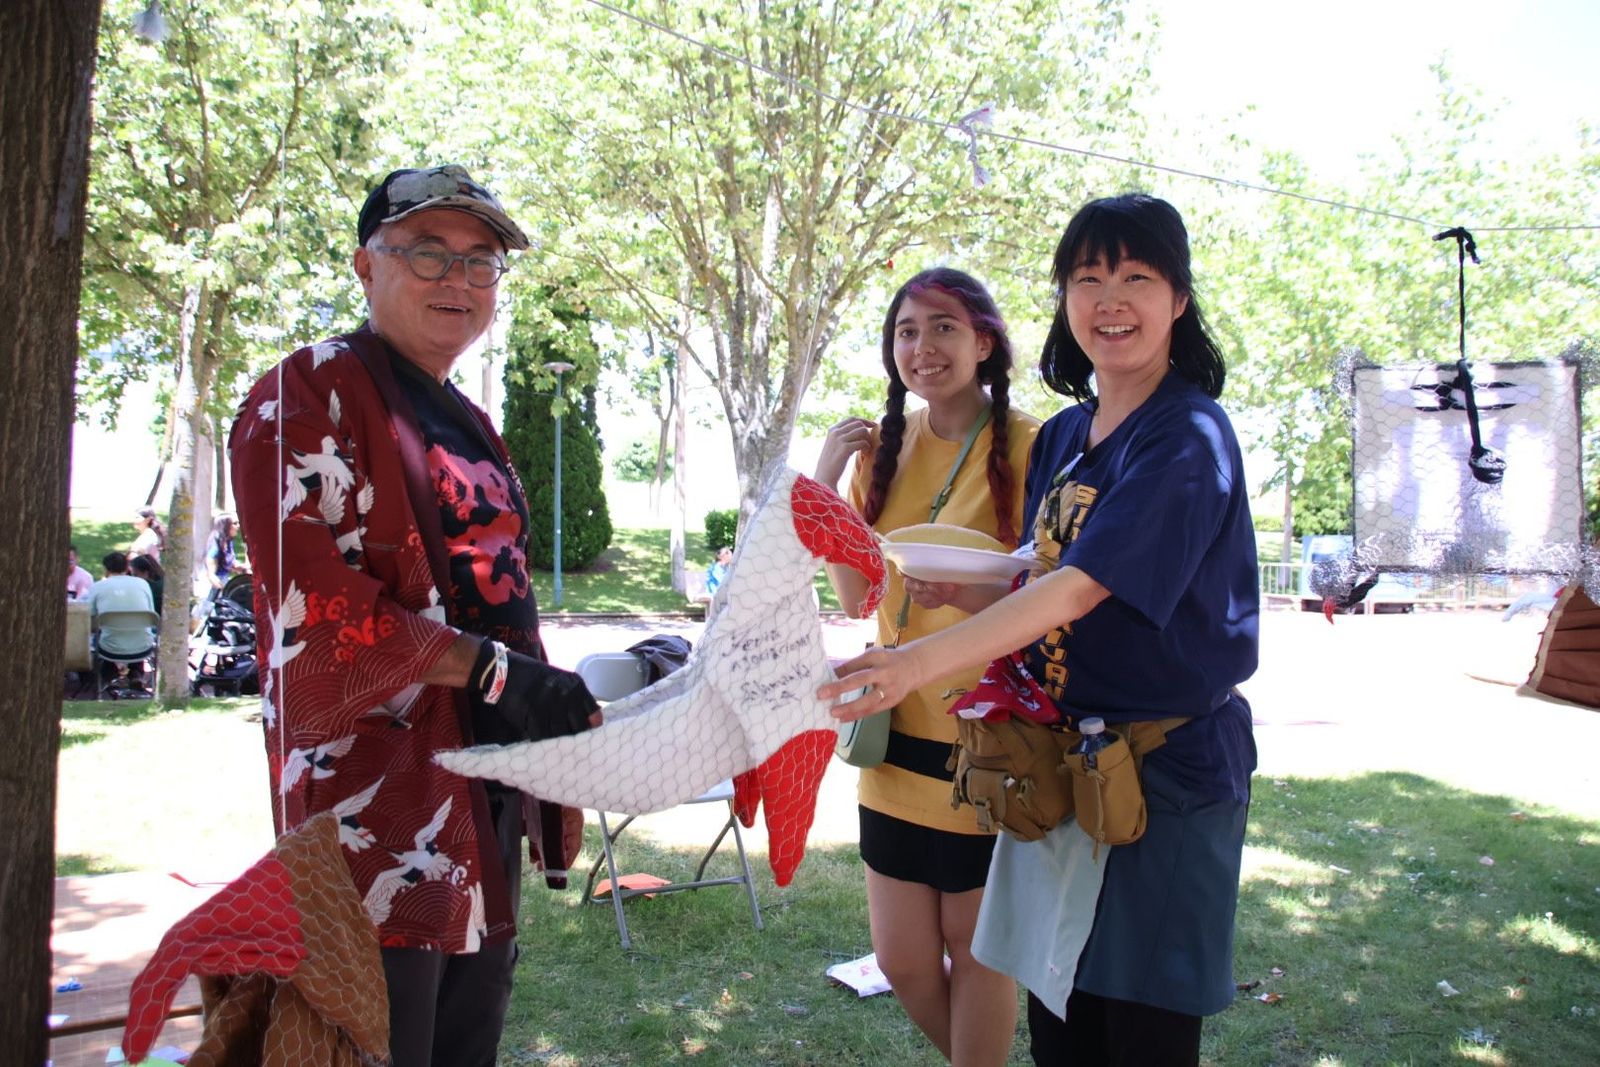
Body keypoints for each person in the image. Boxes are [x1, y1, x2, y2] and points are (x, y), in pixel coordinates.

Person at [821, 195, 1259, 1066]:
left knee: (1137, 1033)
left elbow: (1080, 588)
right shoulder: (1066, 435)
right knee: (1060, 1023)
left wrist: (911, 661)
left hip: (1162, 780)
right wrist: (972, 595)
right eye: (1088, 278)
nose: (1110, 300)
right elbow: (1039, 575)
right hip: (1058, 773)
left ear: (1179, 298)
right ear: (1064, 299)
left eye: (1137, 276)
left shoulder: (1188, 435)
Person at [229, 164, 603, 1067]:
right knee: (370, 1043)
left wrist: (540, 707)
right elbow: (311, 606)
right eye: (428, 251)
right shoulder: (302, 393)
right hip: (374, 811)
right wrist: (491, 671)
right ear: (367, 265)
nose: (458, 280)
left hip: (484, 792)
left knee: (468, 1038)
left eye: (481, 263)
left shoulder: (470, 417)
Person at [814, 267, 1039, 1066]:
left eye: (942, 327)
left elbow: (1054, 598)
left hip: (987, 738)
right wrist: (828, 487)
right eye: (907, 331)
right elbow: (851, 596)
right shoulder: (885, 449)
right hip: (891, 735)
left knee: (973, 949)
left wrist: (971, 601)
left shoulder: (1031, 442)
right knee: (906, 958)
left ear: (984, 342)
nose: (922, 346)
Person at [88, 550, 157, 690]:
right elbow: (151, 613)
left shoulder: (98, 587)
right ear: (127, 568)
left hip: (110, 648)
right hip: (143, 646)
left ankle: (109, 676)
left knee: (104, 636)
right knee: (134, 630)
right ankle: (135, 673)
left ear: (106, 569)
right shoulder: (143, 585)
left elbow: (90, 617)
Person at [201, 513, 245, 601]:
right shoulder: (215, 546)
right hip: (212, 586)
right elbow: (211, 575)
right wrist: (224, 591)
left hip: (222, 581)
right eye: (235, 523)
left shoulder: (227, 541)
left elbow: (232, 564)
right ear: (225, 526)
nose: (238, 526)